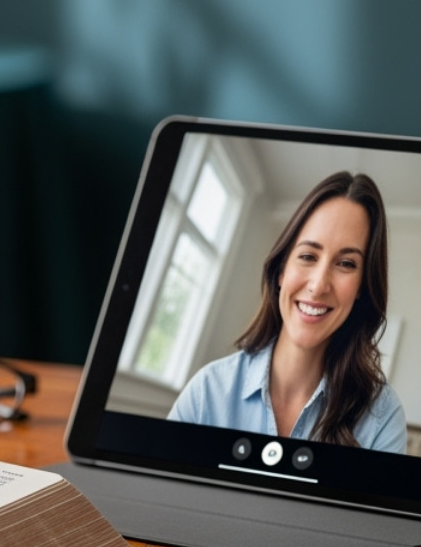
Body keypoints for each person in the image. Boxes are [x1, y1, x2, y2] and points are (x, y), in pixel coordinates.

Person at [168, 171, 405, 453]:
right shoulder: (207, 392)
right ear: (281, 270)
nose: (318, 286)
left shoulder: (383, 417)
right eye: (307, 256)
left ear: (362, 289)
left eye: (346, 263)